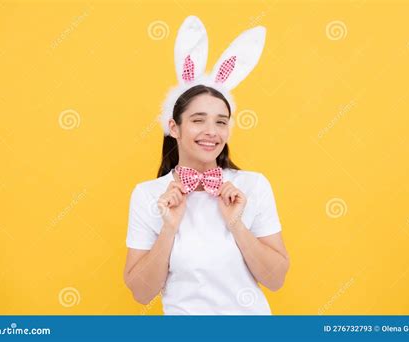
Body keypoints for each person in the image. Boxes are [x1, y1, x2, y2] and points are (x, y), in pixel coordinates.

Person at [124, 16, 290, 315]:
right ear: (174, 127)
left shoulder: (252, 186)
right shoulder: (148, 195)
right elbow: (141, 292)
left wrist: (236, 223)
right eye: (198, 120)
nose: (211, 131)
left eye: (221, 122)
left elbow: (276, 279)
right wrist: (169, 228)